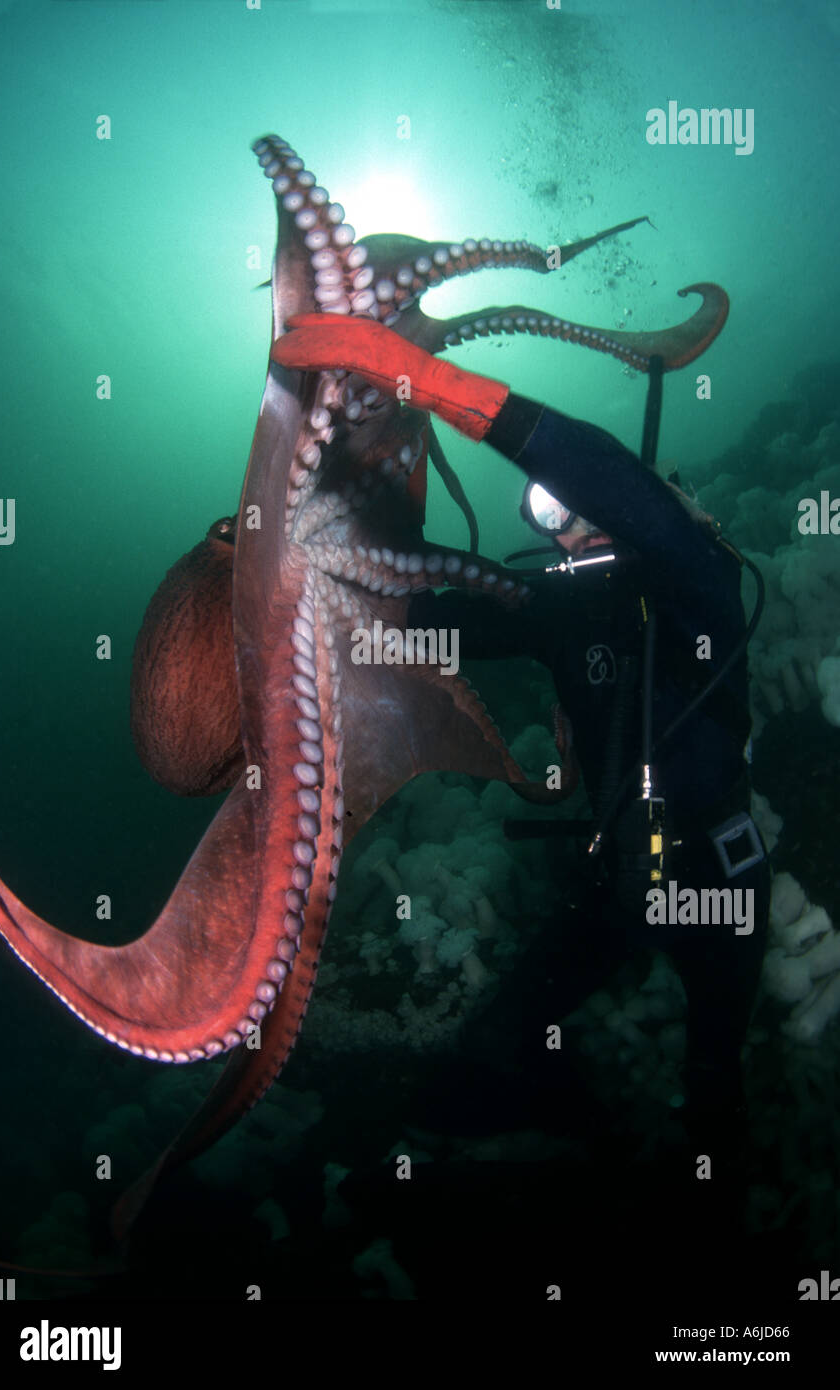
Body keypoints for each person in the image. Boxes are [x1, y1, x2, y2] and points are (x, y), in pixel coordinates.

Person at [270, 314, 770, 1180]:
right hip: (626, 876)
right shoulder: (563, 614)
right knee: (489, 1055)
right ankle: (588, 1141)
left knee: (714, 1088)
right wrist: (315, 585)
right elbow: (443, 619)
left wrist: (453, 393)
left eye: (578, 510)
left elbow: (621, 486)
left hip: (718, 883)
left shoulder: (701, 584)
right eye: (551, 517)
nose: (566, 528)